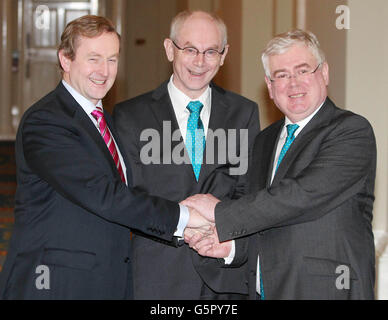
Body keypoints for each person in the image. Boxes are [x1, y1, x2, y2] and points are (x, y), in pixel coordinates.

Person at [0, 15, 208, 300]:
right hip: (54, 283)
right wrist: (183, 218)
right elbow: (104, 195)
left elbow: (128, 193)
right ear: (65, 59)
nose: (104, 70)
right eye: (93, 58)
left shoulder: (105, 120)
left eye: (112, 59)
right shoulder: (46, 121)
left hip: (105, 276)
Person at [184, 29, 377, 300]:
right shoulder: (264, 140)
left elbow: (301, 196)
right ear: (270, 87)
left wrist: (220, 211)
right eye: (282, 75)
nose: (293, 83)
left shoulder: (351, 131)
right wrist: (232, 247)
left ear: (324, 74)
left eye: (303, 70)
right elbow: (266, 217)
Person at [113, 10, 260, 299]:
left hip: (225, 278)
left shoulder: (244, 112)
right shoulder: (130, 116)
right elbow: (128, 199)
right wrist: (181, 223)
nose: (200, 61)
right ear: (170, 49)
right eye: (190, 49)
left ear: (223, 55)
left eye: (210, 51)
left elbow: (248, 192)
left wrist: (219, 228)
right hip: (157, 276)